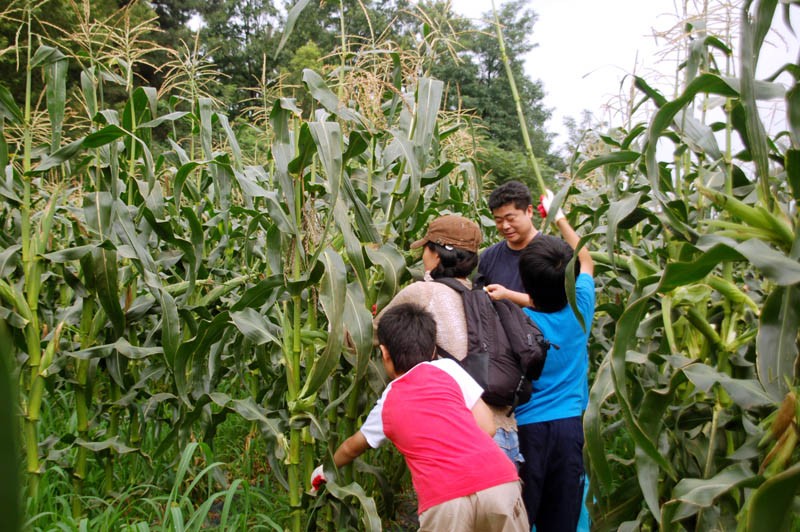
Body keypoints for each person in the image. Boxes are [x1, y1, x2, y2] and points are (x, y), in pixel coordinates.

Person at [314, 303, 529, 532]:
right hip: (499, 483)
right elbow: (487, 427)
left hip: (445, 499)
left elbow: (351, 448)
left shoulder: (388, 402)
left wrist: (323, 470)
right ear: (433, 350)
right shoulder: (448, 368)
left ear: (385, 353)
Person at [373, 214, 523, 468]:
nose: (423, 257)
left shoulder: (423, 292)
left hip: (466, 439)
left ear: (437, 255)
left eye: (427, 249)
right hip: (508, 437)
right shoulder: (487, 298)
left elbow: (369, 335)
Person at [515, 190, 595, 532]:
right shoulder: (582, 310)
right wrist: (559, 215)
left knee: (525, 511)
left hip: (526, 430)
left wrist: (505, 297)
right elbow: (587, 260)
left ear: (526, 284)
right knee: (564, 510)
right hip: (569, 428)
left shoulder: (519, 322)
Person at [477, 180, 540, 307]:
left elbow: (559, 304)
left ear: (529, 211)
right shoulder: (488, 256)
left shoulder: (553, 253)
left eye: (511, 219)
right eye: (499, 220)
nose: (505, 226)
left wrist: (508, 295)